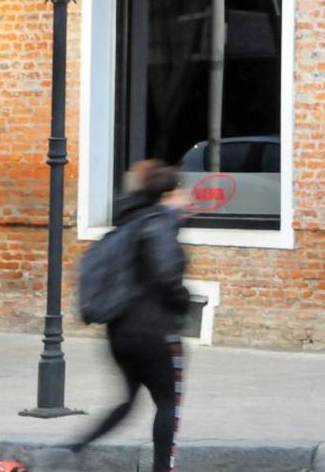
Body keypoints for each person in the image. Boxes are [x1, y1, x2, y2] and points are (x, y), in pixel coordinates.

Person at [64, 160, 192, 472]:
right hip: (155, 331)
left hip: (119, 331)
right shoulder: (158, 223)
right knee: (167, 403)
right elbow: (167, 274)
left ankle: (71, 450)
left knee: (127, 402)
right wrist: (183, 301)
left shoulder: (125, 224)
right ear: (166, 195)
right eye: (179, 192)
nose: (186, 198)